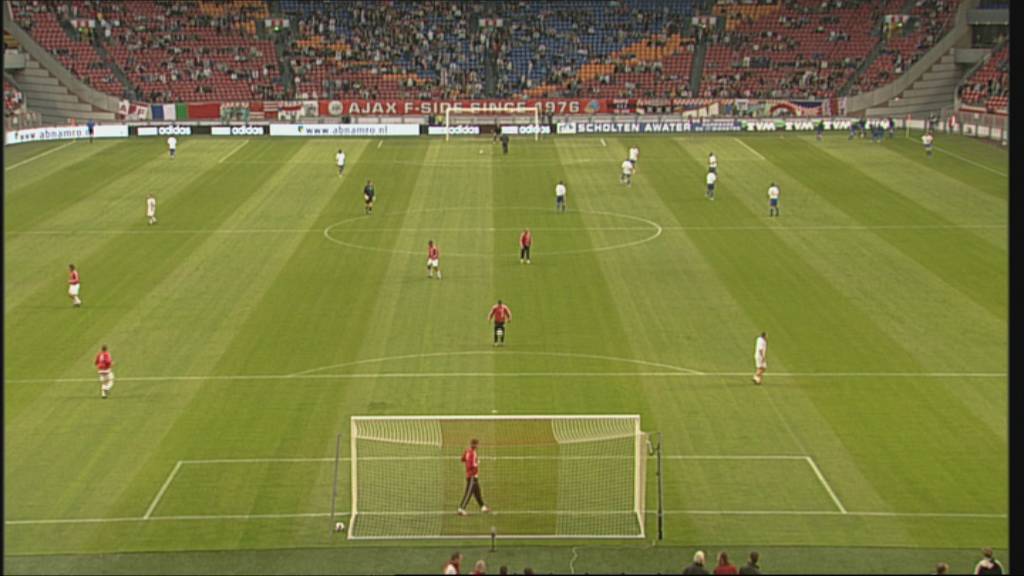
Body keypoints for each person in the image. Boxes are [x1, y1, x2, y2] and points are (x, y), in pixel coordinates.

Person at [458, 439, 490, 515]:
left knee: (477, 492)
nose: (478, 446)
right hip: (472, 476)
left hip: (472, 475)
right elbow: (471, 465)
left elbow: (462, 459)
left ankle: (483, 507)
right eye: (477, 444)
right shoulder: (473, 453)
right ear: (475, 445)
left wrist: (468, 461)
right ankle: (461, 509)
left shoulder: (467, 451)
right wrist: (477, 462)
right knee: (468, 493)